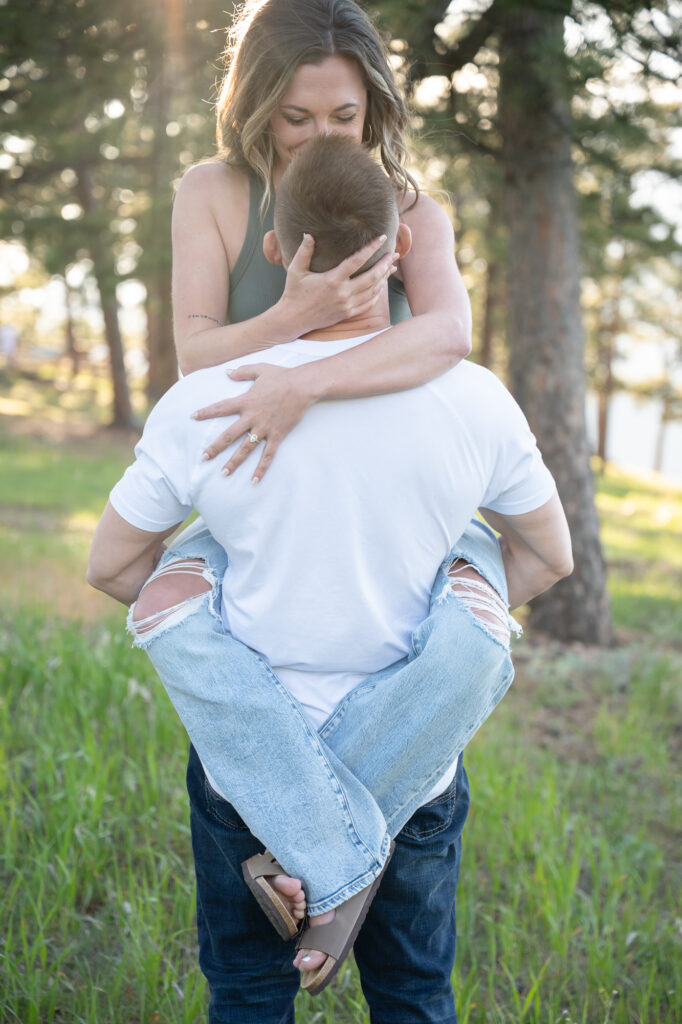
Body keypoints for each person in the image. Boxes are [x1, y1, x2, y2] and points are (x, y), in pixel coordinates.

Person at [88, 134, 573, 1020]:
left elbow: (113, 564)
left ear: (276, 249)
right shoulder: (477, 402)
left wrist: (205, 573)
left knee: (247, 993)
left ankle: (305, 848)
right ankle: (342, 856)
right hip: (418, 773)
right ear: (401, 247)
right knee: (414, 995)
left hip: (248, 776)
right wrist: (466, 584)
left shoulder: (207, 401)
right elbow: (548, 557)